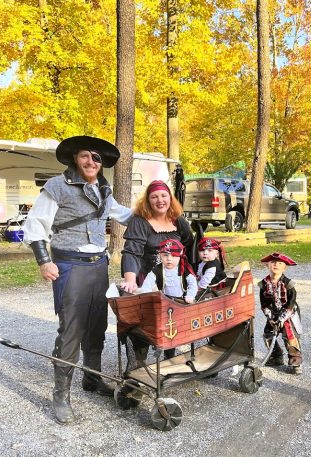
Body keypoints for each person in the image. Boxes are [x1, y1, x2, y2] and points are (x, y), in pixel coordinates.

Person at [22, 136, 132, 425]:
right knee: (71, 330)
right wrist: (44, 261)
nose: (91, 162)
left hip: (99, 266)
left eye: (96, 158)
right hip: (69, 265)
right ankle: (61, 396)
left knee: (96, 325)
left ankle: (92, 379)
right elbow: (35, 224)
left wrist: (161, 217)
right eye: (85, 156)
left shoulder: (104, 190)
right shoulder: (56, 186)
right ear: (75, 158)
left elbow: (125, 215)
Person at [120, 180, 194, 363]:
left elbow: (190, 246)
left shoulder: (179, 221)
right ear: (148, 200)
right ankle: (138, 365)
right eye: (154, 197)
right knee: (143, 324)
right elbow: (132, 252)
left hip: (173, 278)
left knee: (172, 317)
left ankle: (170, 358)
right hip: (147, 276)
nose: (159, 200)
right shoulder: (140, 222)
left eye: (163, 195)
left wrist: (192, 274)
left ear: (170, 198)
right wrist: (130, 280)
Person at [259, 253, 303, 374]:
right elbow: (264, 303)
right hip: (273, 314)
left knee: (290, 337)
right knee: (268, 334)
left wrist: (283, 318)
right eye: (273, 262)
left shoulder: (288, 284)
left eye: (279, 263)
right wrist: (270, 317)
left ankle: (295, 361)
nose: (276, 265)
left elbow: (291, 303)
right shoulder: (263, 284)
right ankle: (276, 356)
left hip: (288, 315)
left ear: (285, 267)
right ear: (267, 265)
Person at [139, 239, 198, 303]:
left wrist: (190, 296)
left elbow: (193, 283)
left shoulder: (184, 268)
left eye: (173, 255)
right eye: (165, 255)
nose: (169, 259)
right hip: (165, 300)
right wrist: (145, 295)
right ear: (160, 255)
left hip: (182, 300)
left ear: (180, 256)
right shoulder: (157, 269)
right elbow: (147, 283)